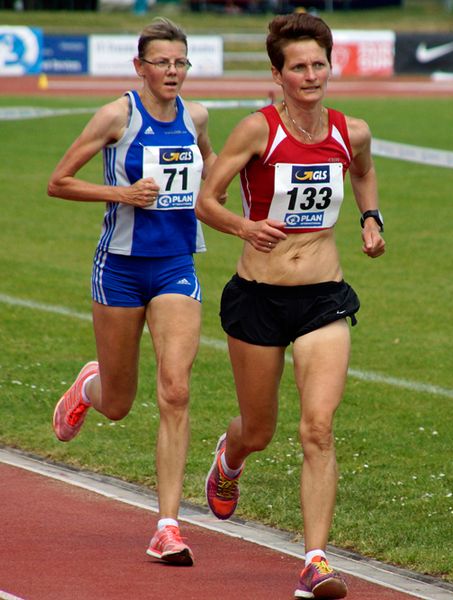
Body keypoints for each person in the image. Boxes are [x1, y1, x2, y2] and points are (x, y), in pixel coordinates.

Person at [195, 12, 385, 599]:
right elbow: (207, 198)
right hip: (258, 297)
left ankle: (315, 561)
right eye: (297, 66)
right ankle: (230, 457)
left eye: (318, 64)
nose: (310, 75)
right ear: (277, 74)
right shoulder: (258, 130)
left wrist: (371, 218)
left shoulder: (350, 130)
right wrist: (245, 228)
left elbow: (365, 171)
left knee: (318, 429)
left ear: (331, 66)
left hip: (323, 296)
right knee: (260, 429)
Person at [48, 17, 217, 567]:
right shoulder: (117, 115)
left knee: (176, 389)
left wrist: (238, 199)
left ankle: (167, 525)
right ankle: (90, 383)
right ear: (139, 66)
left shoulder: (197, 116)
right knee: (119, 404)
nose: (172, 71)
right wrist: (122, 193)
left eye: (180, 62)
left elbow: (211, 164)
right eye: (162, 62)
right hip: (119, 268)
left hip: (176, 266)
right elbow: (60, 181)